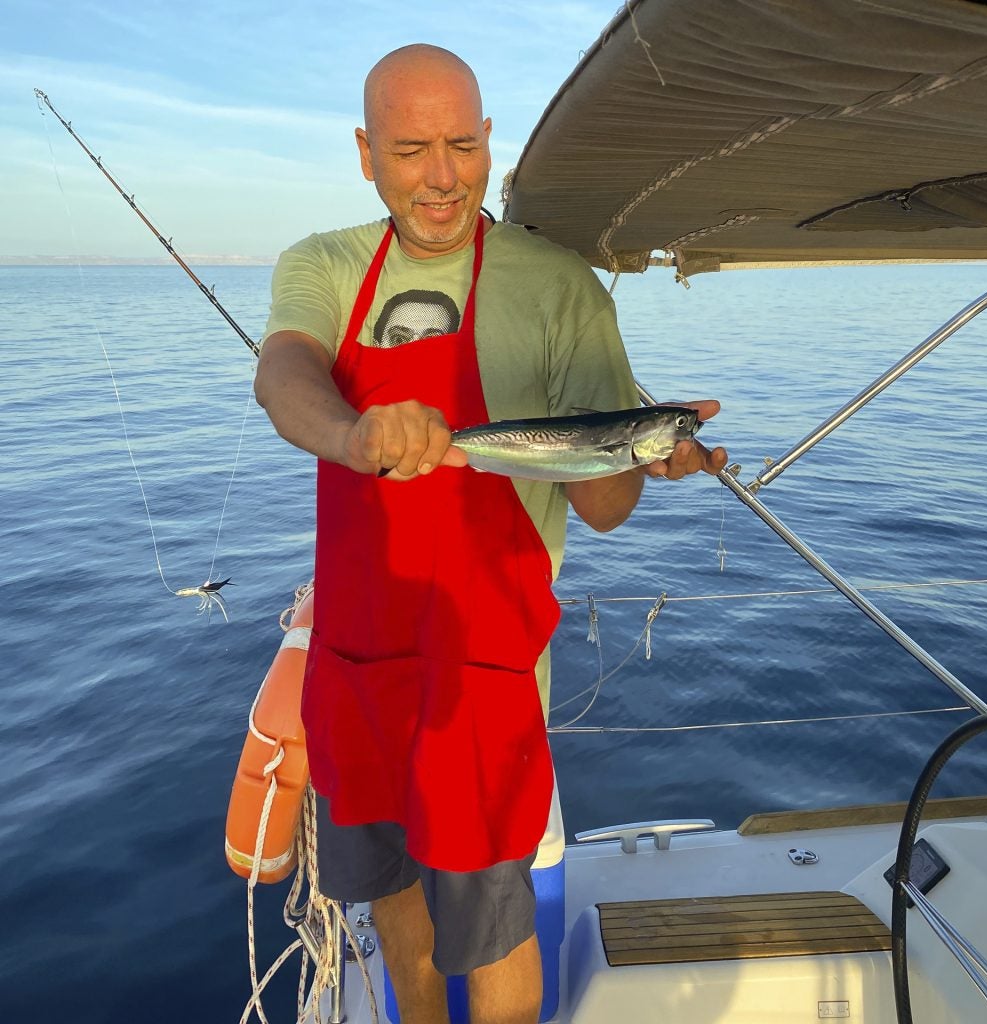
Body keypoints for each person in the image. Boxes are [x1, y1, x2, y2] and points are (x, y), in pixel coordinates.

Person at [254, 43, 727, 1024]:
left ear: (488, 142)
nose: (441, 177)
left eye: (463, 147)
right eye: (413, 148)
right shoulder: (327, 265)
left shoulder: (561, 290)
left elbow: (601, 505)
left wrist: (641, 454)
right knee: (394, 901)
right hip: (357, 656)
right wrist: (355, 433)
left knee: (496, 922)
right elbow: (285, 375)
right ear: (365, 153)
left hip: (482, 670)